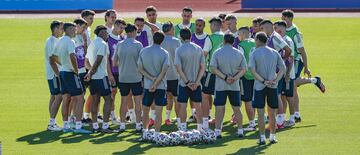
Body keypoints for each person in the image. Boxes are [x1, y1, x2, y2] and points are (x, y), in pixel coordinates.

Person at [281, 9, 326, 122]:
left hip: (296, 60)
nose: (282, 20)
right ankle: (297, 114)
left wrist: (306, 67)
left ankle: (314, 80)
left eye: (284, 18)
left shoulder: (296, 33)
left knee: (293, 82)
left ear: (290, 18)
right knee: (294, 88)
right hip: (289, 60)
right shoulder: (283, 30)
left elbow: (302, 51)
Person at [51, 22, 91, 134]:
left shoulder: (60, 41)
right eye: (73, 29)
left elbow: (53, 56)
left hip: (63, 71)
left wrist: (63, 64)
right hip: (70, 73)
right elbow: (72, 56)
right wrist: (76, 70)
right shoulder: (70, 41)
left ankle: (66, 125)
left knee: (66, 99)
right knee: (80, 98)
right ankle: (78, 126)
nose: (75, 31)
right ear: (67, 30)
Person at [249, 32, 286, 145]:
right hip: (272, 86)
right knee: (272, 113)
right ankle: (272, 136)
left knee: (260, 113)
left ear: (258, 40)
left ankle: (261, 138)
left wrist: (263, 81)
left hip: (260, 86)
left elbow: (252, 70)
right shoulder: (274, 52)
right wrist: (275, 80)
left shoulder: (254, 53)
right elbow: (283, 68)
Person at [210, 34, 247, 138]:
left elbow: (213, 68)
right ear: (233, 42)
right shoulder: (239, 53)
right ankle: (240, 130)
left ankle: (217, 131)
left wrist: (225, 77)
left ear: (224, 41)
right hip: (234, 86)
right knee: (237, 109)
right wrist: (235, 78)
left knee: (219, 108)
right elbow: (244, 69)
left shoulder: (217, 52)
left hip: (221, 85)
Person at [84, 25, 117, 133]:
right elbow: (99, 59)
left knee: (95, 100)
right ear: (102, 32)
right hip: (101, 77)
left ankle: (95, 126)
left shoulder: (92, 44)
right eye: (106, 33)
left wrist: (89, 72)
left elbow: (86, 62)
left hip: (93, 79)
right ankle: (105, 126)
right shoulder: (103, 44)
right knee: (109, 99)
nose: (107, 34)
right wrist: (92, 71)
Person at [260, 19, 291, 129]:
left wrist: (282, 59)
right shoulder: (270, 37)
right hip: (273, 70)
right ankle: (278, 121)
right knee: (275, 95)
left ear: (268, 27)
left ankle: (280, 122)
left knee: (277, 96)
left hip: (277, 71)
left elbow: (288, 50)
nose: (261, 30)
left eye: (262, 28)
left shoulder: (275, 37)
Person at [113, 24, 144, 133]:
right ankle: (138, 125)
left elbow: (114, 62)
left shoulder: (120, 44)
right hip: (136, 77)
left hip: (123, 77)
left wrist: (123, 64)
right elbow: (142, 62)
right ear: (133, 32)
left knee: (123, 101)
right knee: (137, 102)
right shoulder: (138, 44)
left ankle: (122, 125)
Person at [138, 32, 169, 137]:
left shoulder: (144, 51)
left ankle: (145, 132)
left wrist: (151, 79)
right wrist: (156, 83)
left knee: (146, 109)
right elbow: (164, 71)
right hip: (161, 86)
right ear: (162, 41)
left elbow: (140, 69)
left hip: (147, 86)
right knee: (159, 111)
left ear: (153, 39)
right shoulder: (165, 53)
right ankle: (156, 134)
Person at [175, 28, 206, 131]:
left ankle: (183, 129)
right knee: (198, 106)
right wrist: (196, 82)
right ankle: (200, 128)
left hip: (184, 84)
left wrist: (187, 82)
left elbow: (178, 68)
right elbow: (203, 67)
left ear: (180, 37)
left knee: (183, 105)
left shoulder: (179, 49)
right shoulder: (198, 48)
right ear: (191, 36)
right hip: (196, 84)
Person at [274, 20, 296, 127]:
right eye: (275, 28)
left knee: (289, 96)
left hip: (288, 74)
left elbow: (291, 58)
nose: (277, 30)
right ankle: (281, 119)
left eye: (279, 28)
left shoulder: (288, 40)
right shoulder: (278, 39)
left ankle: (292, 119)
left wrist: (287, 74)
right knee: (282, 96)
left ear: (284, 28)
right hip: (281, 74)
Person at [202, 17, 224, 125]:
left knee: (205, 95)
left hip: (212, 72)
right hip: (225, 73)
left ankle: (205, 121)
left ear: (214, 26)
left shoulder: (209, 38)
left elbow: (204, 55)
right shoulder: (227, 37)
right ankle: (218, 121)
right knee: (220, 97)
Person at [191, 18, 212, 123]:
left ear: (204, 26)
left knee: (206, 94)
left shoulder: (208, 38)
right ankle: (194, 113)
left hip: (205, 70)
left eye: (200, 25)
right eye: (196, 25)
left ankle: (208, 114)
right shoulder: (191, 37)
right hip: (193, 69)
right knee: (193, 91)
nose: (198, 27)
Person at [160, 22, 182, 126]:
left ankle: (167, 118)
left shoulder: (160, 40)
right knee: (176, 98)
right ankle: (178, 121)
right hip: (175, 74)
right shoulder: (177, 41)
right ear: (171, 29)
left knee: (168, 97)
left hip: (163, 75)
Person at [237, 26, 257, 131]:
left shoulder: (241, 45)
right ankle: (255, 120)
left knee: (247, 100)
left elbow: (239, 60)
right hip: (257, 75)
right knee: (255, 99)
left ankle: (251, 123)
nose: (238, 37)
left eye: (239, 34)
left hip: (246, 76)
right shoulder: (256, 42)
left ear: (243, 34)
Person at [107, 19, 127, 125]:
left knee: (126, 94)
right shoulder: (108, 39)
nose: (122, 30)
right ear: (115, 25)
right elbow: (107, 59)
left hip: (123, 72)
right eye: (121, 28)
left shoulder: (123, 38)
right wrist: (109, 74)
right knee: (112, 94)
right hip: (113, 72)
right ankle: (112, 115)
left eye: (123, 28)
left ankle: (127, 115)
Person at [46, 20, 64, 131]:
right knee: (59, 96)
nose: (63, 31)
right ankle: (51, 123)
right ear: (55, 29)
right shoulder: (52, 42)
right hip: (54, 74)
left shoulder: (52, 40)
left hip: (51, 73)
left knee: (53, 96)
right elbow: (52, 60)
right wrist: (58, 74)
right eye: (61, 28)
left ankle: (53, 122)